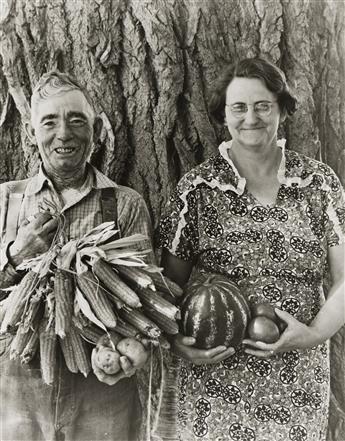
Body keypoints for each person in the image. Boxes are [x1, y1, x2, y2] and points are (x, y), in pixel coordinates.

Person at [158, 58, 345, 440]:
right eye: (238, 107)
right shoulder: (198, 189)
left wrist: (313, 334)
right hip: (216, 381)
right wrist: (177, 342)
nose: (251, 117)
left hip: (299, 377)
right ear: (223, 115)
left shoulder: (318, 182)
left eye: (263, 106)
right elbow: (167, 289)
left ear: (281, 109)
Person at [0, 71, 155, 441]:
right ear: (30, 132)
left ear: (96, 129)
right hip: (16, 386)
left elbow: (146, 302)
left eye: (76, 120)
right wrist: (18, 253)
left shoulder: (125, 204)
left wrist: (128, 353)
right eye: (49, 121)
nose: (64, 133)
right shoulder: (6, 201)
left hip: (101, 387)